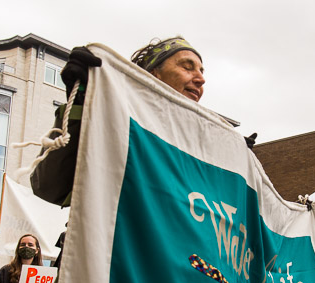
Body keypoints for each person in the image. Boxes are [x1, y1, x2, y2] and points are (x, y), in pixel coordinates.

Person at [30, 36, 207, 207]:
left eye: (201, 71)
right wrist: (80, 108)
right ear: (155, 75)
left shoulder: (206, 149)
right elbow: (48, 187)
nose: (201, 79)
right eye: (187, 67)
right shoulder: (119, 127)